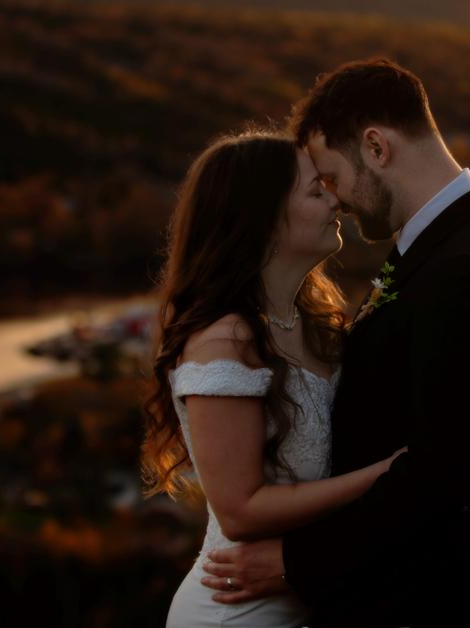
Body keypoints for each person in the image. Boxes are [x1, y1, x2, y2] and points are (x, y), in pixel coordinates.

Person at [200, 58, 470, 627]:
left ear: (376, 147)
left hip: (426, 600)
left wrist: (294, 562)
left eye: (333, 177)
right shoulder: (438, 244)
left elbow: (441, 478)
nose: (336, 199)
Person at [142, 130, 407, 627]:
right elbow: (240, 510)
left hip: (311, 598)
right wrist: (384, 476)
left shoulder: (317, 320)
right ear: (263, 221)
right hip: (239, 613)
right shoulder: (226, 342)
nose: (336, 199)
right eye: (315, 191)